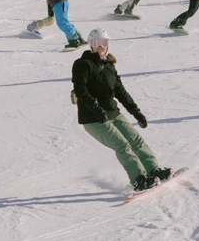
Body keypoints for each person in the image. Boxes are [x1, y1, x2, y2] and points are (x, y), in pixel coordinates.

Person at [72, 29, 172, 192]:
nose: (101, 47)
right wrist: (95, 108)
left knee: (136, 140)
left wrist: (135, 111)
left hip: (112, 112)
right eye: (97, 44)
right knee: (122, 146)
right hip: (93, 118)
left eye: (104, 44)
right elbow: (80, 90)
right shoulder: (82, 64)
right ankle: (139, 179)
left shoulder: (109, 65)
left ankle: (152, 170)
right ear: (91, 45)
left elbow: (120, 91)